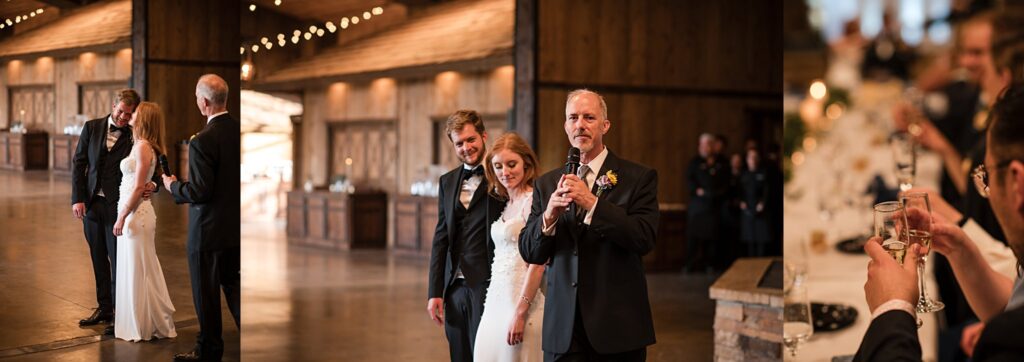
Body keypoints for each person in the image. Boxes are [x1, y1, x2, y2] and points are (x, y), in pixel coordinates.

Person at [854, 83, 1024, 361]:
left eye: (987, 180)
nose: (987, 194)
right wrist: (961, 249)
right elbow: (1013, 302)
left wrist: (892, 308)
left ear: (1017, 182)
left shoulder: (1010, 343)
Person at [519, 89, 658, 361]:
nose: (580, 124)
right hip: (564, 330)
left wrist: (593, 203)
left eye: (589, 117)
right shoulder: (547, 183)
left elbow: (644, 238)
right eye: (573, 117)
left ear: (605, 125)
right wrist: (548, 217)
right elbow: (530, 252)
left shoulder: (638, 177)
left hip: (616, 327)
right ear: (565, 126)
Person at [162, 74, 240, 362]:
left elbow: (200, 190)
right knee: (233, 286)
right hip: (234, 229)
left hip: (207, 231)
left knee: (205, 294)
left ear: (204, 102)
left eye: (197, 97)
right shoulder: (237, 131)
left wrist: (173, 186)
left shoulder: (202, 141)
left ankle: (208, 350)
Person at [70, 89, 157, 332]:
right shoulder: (91, 127)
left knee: (118, 260)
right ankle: (104, 308)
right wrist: (78, 199)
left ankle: (121, 313)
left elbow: (155, 166)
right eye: (120, 111)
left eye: (128, 114)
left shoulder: (135, 134)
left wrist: (154, 184)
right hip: (91, 204)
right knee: (97, 257)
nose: (122, 118)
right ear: (113, 105)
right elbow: (79, 164)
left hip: (119, 207)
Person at [426, 110, 506, 362]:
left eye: (471, 140)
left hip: (488, 283)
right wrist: (434, 291)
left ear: (484, 136)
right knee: (458, 354)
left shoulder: (501, 175)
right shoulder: (447, 182)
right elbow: (441, 238)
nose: (466, 147)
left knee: (484, 355)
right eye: (459, 143)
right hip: (454, 288)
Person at [474, 132, 545, 361]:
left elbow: (538, 263)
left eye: (511, 164)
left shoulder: (533, 201)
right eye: (498, 166)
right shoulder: (505, 204)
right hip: (495, 300)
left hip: (520, 302)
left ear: (526, 162)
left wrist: (521, 313)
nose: (505, 172)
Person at [111, 101, 177, 341]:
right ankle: (142, 320)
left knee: (141, 268)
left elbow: (139, 186)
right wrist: (152, 184)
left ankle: (144, 323)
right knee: (138, 266)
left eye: (136, 113)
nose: (131, 115)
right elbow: (145, 181)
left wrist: (121, 216)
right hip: (133, 210)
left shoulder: (142, 147)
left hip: (135, 214)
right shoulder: (139, 145)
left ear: (144, 119)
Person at [684, 133, 729, 273]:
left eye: (708, 144)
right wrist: (698, 191)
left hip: (714, 206)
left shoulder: (721, 162)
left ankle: (711, 264)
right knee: (693, 238)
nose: (705, 147)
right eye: (703, 145)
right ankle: (689, 264)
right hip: (698, 207)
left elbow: (726, 182)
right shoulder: (695, 162)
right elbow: (689, 181)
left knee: (713, 238)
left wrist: (716, 193)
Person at [739, 148, 772, 257]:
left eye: (755, 157)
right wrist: (742, 202)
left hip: (760, 210)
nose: (752, 160)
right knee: (749, 239)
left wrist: (762, 203)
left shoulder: (763, 173)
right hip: (747, 209)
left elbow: (767, 190)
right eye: (750, 157)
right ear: (747, 159)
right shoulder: (743, 174)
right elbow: (739, 191)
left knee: (761, 238)